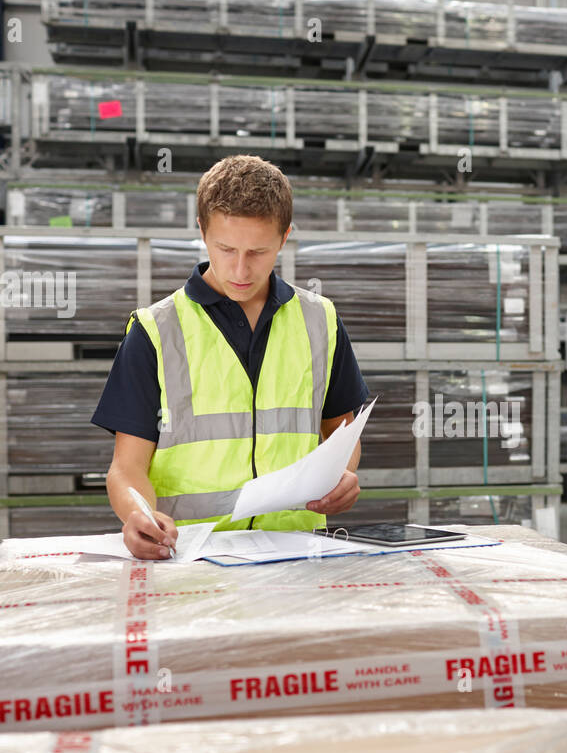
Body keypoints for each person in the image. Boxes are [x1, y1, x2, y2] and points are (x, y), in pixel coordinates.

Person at [91, 155, 370, 559]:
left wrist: (344, 473)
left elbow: (343, 430)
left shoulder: (320, 320)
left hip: (300, 559)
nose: (241, 269)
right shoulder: (155, 331)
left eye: (258, 251)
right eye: (226, 249)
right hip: (191, 561)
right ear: (201, 230)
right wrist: (139, 514)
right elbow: (126, 468)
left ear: (285, 237)